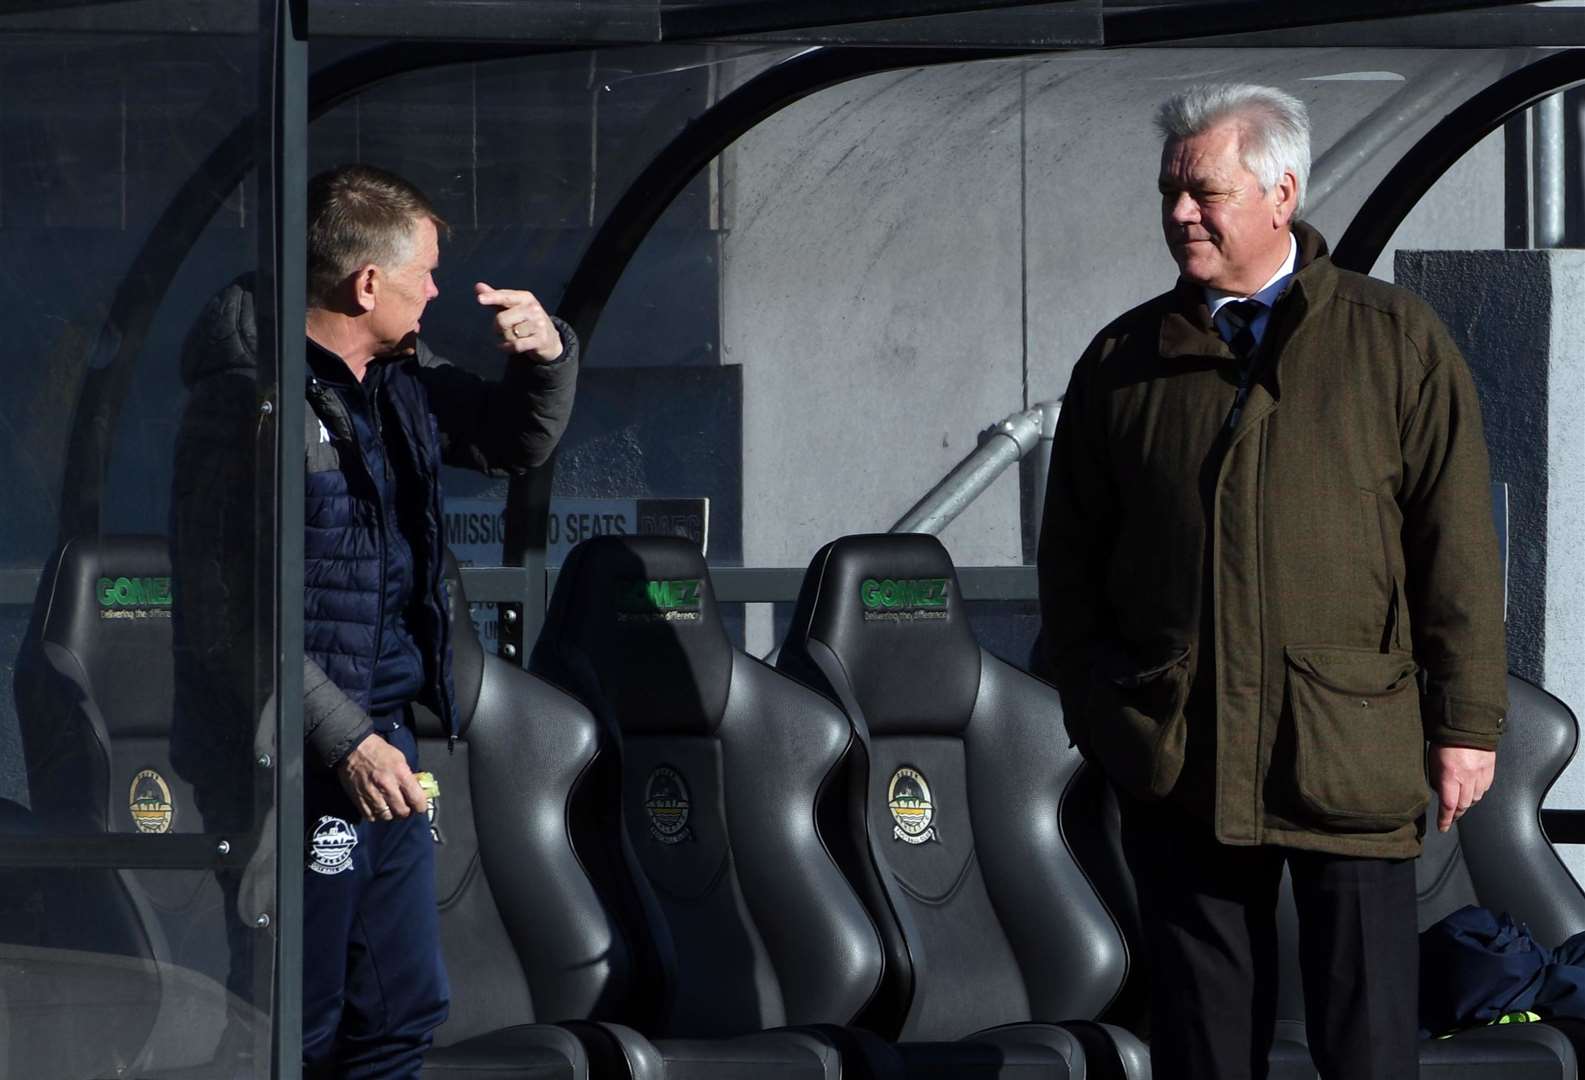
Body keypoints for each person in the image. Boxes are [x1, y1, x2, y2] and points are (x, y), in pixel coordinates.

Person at [1037, 84, 1506, 1080]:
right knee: (1203, 1043)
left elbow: (1453, 545)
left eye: (1202, 191)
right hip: (1179, 751)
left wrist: (1465, 723)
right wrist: (1099, 709)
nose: (1178, 214)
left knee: (1366, 1036)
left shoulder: (1392, 342)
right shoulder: (1122, 363)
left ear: (1280, 192)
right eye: (1169, 191)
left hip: (1346, 745)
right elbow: (1070, 562)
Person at [171, 163, 578, 1077]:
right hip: (289, 750)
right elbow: (226, 615)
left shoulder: (400, 378)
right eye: (424, 273)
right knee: (295, 1018)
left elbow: (509, 441)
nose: (435, 290)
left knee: (403, 1008)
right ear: (366, 284)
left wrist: (543, 355)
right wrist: (342, 741)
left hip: (387, 738)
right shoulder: (248, 404)